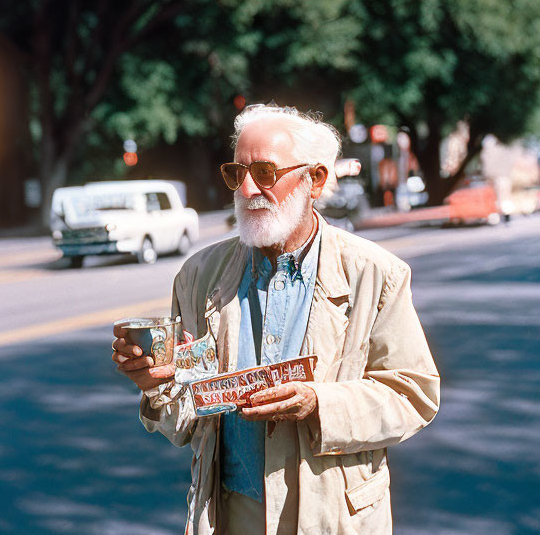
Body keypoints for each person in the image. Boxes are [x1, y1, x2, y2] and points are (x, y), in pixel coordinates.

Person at [112, 105, 440, 534]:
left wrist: (318, 404)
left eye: (265, 172)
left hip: (331, 518)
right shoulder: (199, 276)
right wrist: (158, 385)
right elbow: (189, 419)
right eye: (237, 173)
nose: (248, 189)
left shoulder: (376, 275)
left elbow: (413, 394)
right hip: (233, 515)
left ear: (315, 180)